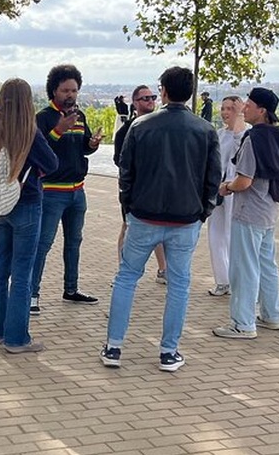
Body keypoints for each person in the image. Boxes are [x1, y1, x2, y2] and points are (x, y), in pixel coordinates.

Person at [101, 66, 220, 371]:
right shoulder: (205, 130)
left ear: (163, 91)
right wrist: (203, 212)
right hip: (185, 219)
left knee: (126, 278)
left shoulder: (141, 126)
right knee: (179, 284)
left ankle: (113, 347)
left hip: (144, 215)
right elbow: (212, 178)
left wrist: (128, 209)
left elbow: (126, 173)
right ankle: (169, 351)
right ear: (190, 92)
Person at [0, 78, 59, 354]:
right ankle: (17, 339)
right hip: (26, 204)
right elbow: (52, 163)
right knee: (23, 273)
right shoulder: (30, 132)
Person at [213, 87, 279, 339]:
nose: (244, 108)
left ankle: (242, 323)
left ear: (262, 111)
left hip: (248, 211)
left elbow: (243, 181)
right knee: (267, 264)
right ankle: (271, 314)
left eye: (249, 105)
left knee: (244, 268)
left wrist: (226, 187)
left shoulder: (253, 139)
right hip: (269, 210)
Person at [29, 64, 102, 315]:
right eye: (65, 90)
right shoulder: (43, 117)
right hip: (51, 192)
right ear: (54, 91)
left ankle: (71, 289)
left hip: (77, 192)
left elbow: (83, 148)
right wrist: (58, 130)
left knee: (74, 242)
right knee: (43, 243)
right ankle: (31, 294)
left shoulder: (80, 116)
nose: (70, 95)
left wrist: (92, 144)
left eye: (74, 90)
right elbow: (39, 150)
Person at [112, 85, 167, 283]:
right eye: (145, 98)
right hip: (133, 189)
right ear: (135, 103)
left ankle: (163, 269)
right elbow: (119, 160)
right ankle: (123, 268)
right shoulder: (126, 131)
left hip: (157, 188)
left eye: (153, 97)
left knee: (159, 228)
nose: (150, 101)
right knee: (128, 226)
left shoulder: (161, 126)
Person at [206, 96, 248, 296]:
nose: (225, 112)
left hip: (235, 188)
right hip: (218, 188)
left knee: (232, 234)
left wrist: (239, 120)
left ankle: (237, 281)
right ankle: (222, 280)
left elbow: (239, 149)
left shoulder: (245, 134)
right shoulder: (219, 134)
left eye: (231, 108)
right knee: (216, 234)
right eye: (223, 108)